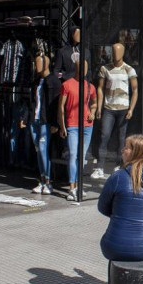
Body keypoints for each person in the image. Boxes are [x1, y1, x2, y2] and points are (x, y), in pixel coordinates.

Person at [98, 134, 143, 261]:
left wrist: (121, 214)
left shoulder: (118, 176)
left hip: (112, 247)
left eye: (126, 148)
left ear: (136, 152)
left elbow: (103, 208)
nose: (122, 151)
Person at [92, 43, 138, 179]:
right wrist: (99, 107)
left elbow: (135, 90)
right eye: (113, 51)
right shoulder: (105, 69)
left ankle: (119, 165)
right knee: (104, 136)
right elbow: (100, 88)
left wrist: (131, 108)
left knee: (121, 138)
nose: (116, 54)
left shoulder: (129, 69)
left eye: (118, 51)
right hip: (109, 108)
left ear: (123, 53)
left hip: (123, 109)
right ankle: (99, 166)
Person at [20, 55, 61, 194]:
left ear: (46, 64)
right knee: (38, 150)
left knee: (43, 149)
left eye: (38, 63)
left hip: (45, 121)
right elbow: (29, 102)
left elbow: (55, 104)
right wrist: (25, 118)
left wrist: (55, 123)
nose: (36, 66)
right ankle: (42, 180)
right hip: (34, 120)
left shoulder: (54, 81)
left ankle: (48, 181)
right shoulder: (36, 82)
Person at [58, 60, 97, 201]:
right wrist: (62, 125)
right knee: (73, 154)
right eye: (82, 67)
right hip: (72, 125)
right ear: (76, 68)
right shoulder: (66, 85)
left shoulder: (89, 87)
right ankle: (72, 187)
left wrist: (93, 112)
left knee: (81, 156)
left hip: (87, 125)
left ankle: (79, 185)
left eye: (86, 67)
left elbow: (94, 103)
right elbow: (61, 107)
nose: (84, 70)